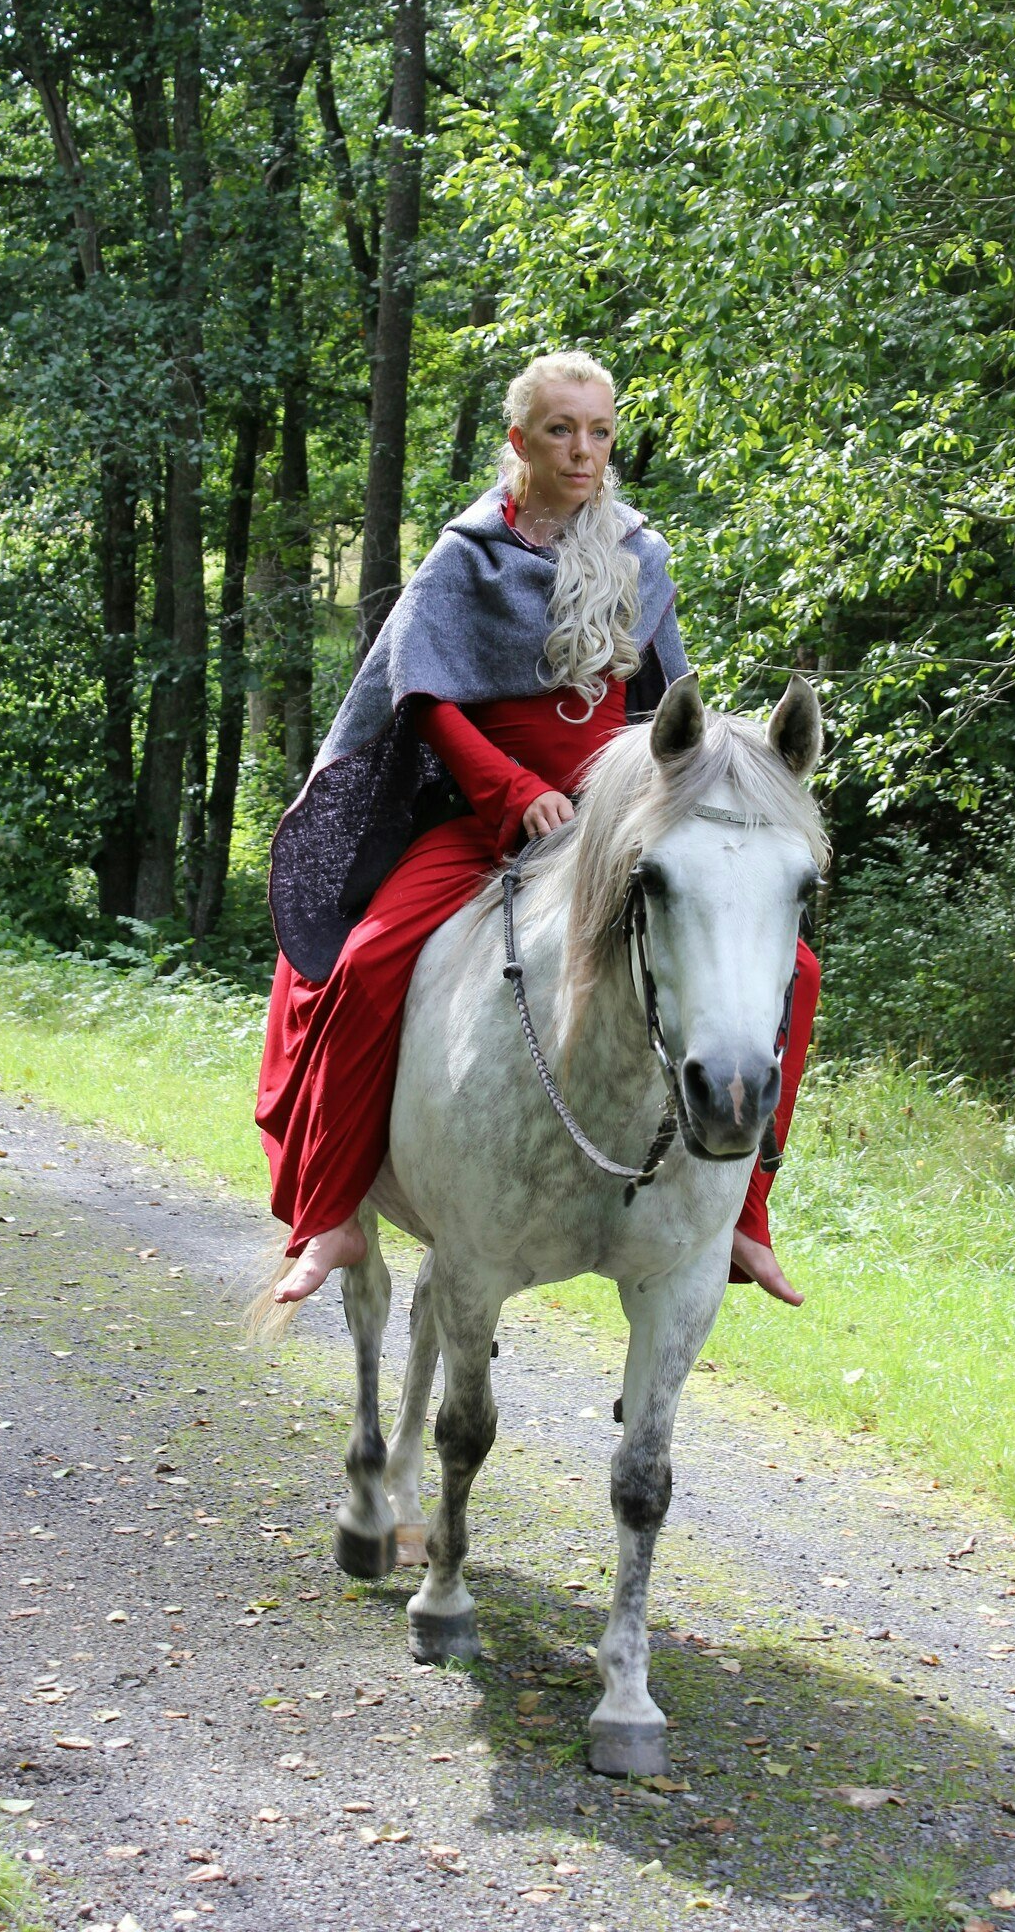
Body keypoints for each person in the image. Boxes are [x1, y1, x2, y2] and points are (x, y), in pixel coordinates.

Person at [257, 350, 821, 1309]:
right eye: (562, 430)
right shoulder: (467, 554)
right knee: (365, 964)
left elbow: (657, 703)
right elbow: (423, 698)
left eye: (599, 430)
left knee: (794, 972)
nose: (583, 449)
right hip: (483, 815)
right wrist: (512, 793)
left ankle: (740, 1213)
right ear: (520, 440)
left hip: (607, 817)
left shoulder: (640, 552)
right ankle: (332, 1212)